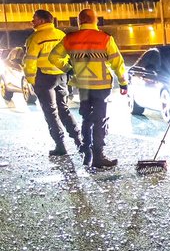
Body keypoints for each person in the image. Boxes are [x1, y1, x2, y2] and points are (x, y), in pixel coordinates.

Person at [48, 9, 127, 169]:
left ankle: (86, 151)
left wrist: (69, 69)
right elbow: (117, 63)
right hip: (101, 86)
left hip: (82, 86)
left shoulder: (70, 39)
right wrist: (123, 82)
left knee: (86, 118)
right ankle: (98, 156)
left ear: (80, 21)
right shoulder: (104, 38)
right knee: (100, 120)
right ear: (95, 20)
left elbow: (53, 57)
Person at [22, 9, 83, 158]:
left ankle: (60, 145)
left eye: (34, 19)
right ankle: (78, 140)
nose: (32, 21)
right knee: (64, 109)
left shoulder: (34, 38)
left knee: (50, 112)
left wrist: (30, 80)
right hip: (61, 76)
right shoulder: (61, 35)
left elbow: (30, 62)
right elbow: (69, 56)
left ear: (42, 21)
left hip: (43, 78)